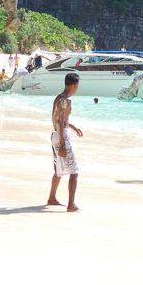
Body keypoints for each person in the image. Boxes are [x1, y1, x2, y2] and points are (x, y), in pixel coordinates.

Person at [47, 73, 83, 212]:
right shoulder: (65, 101)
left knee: (58, 170)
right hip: (61, 137)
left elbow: (57, 119)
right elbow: (60, 122)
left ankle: (52, 198)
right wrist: (62, 144)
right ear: (74, 85)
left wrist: (73, 127)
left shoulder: (59, 98)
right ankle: (71, 205)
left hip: (55, 135)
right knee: (74, 171)